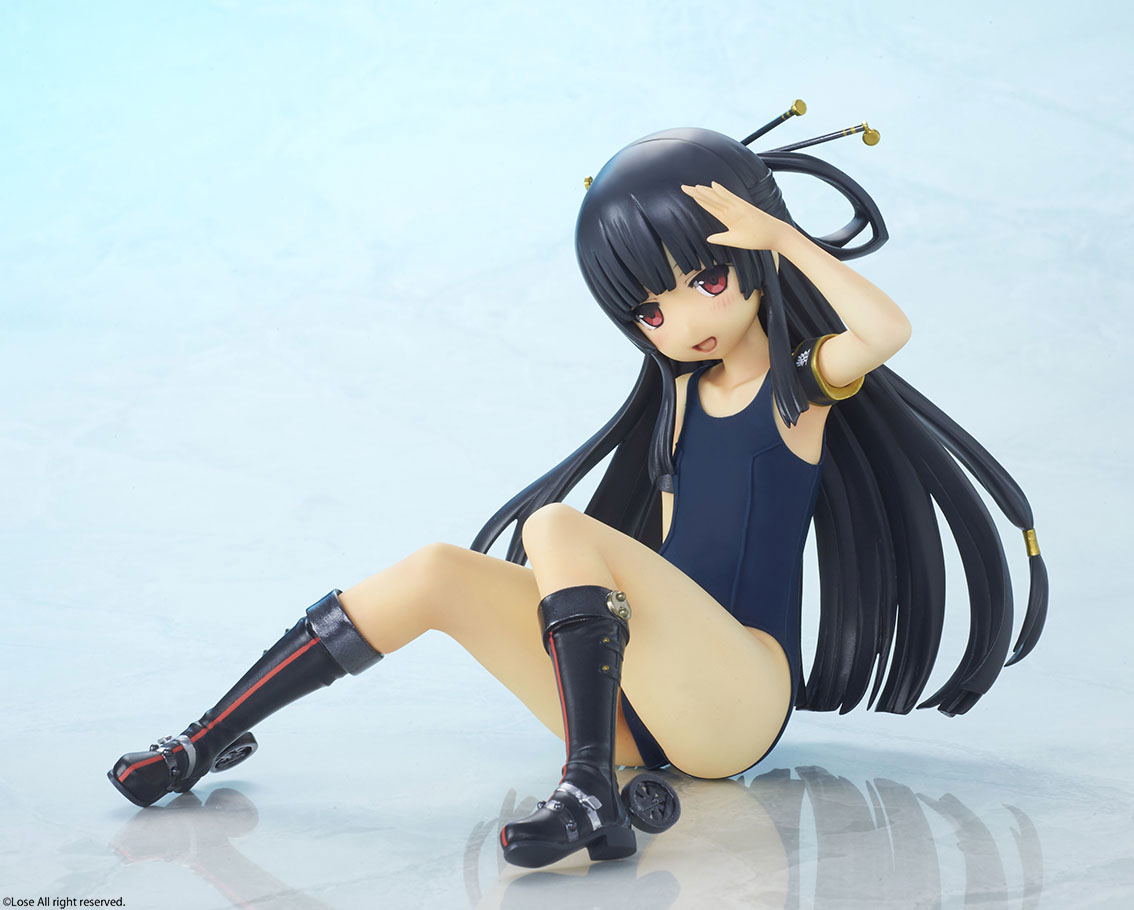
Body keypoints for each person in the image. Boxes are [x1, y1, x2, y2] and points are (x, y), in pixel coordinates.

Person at [107, 119, 1048, 869]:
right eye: (653, 308)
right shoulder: (678, 400)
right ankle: (203, 741)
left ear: (755, 259)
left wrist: (783, 237)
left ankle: (587, 788)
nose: (685, 320)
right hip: (649, 714)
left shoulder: (797, 390)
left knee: (555, 525)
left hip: (741, 703)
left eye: (708, 278)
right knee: (438, 571)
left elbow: (885, 331)